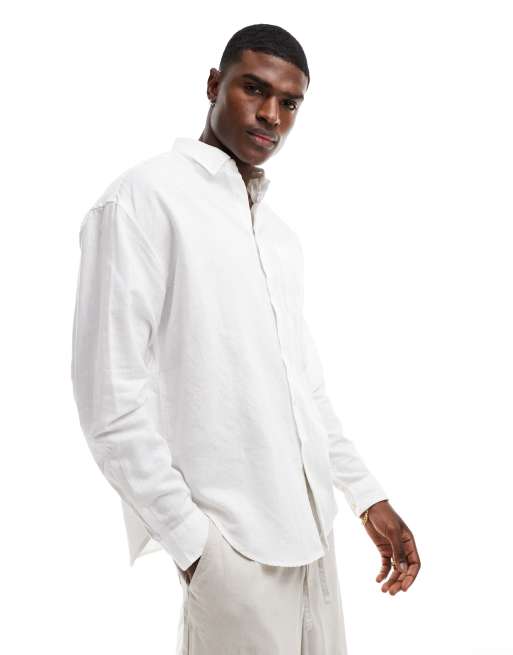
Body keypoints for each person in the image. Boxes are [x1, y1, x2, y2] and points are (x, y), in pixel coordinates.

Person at [71, 23, 420, 655]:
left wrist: (368, 497)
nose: (271, 115)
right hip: (233, 551)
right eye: (253, 89)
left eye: (290, 102)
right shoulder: (142, 201)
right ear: (214, 84)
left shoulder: (279, 237)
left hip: (314, 542)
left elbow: (305, 391)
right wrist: (194, 546)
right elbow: (109, 400)